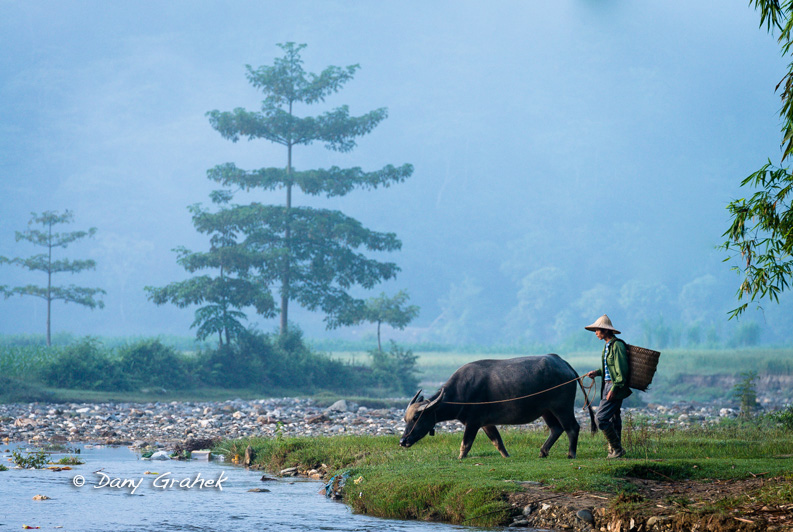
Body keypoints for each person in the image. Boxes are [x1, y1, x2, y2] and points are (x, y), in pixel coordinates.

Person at [584, 314, 631, 458]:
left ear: (605, 330)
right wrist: (597, 372)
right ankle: (613, 450)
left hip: (614, 386)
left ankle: (617, 449)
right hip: (607, 384)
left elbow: (621, 370)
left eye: (597, 330)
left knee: (600, 418)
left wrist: (614, 389)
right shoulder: (607, 346)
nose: (596, 333)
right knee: (613, 418)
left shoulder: (617, 346)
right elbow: (608, 369)